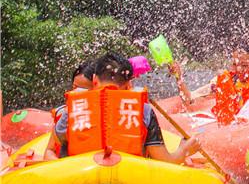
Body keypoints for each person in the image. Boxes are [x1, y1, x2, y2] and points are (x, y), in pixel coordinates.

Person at [51, 53, 196, 164]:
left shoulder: (74, 108)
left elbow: (50, 151)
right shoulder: (143, 111)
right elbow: (165, 162)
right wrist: (185, 149)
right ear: (128, 85)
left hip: (80, 183)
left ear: (94, 80)